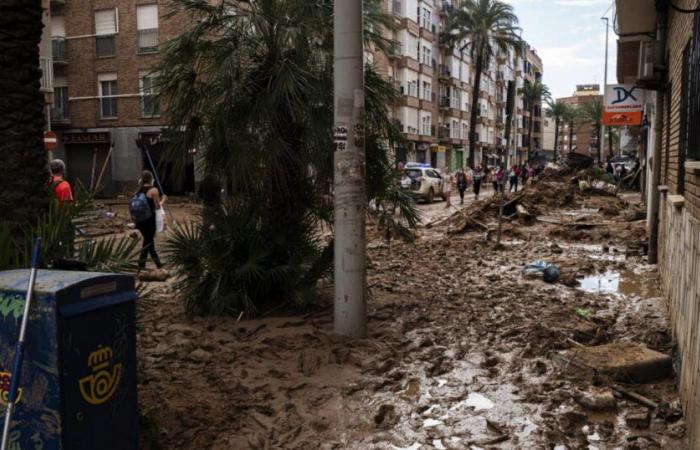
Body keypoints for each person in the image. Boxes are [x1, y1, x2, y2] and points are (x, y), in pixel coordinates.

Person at [135, 171, 164, 271]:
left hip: (140, 221)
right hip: (149, 221)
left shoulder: (138, 190)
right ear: (151, 179)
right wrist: (163, 200)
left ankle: (158, 265)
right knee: (147, 244)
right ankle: (141, 267)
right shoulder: (154, 190)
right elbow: (157, 206)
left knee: (149, 243)